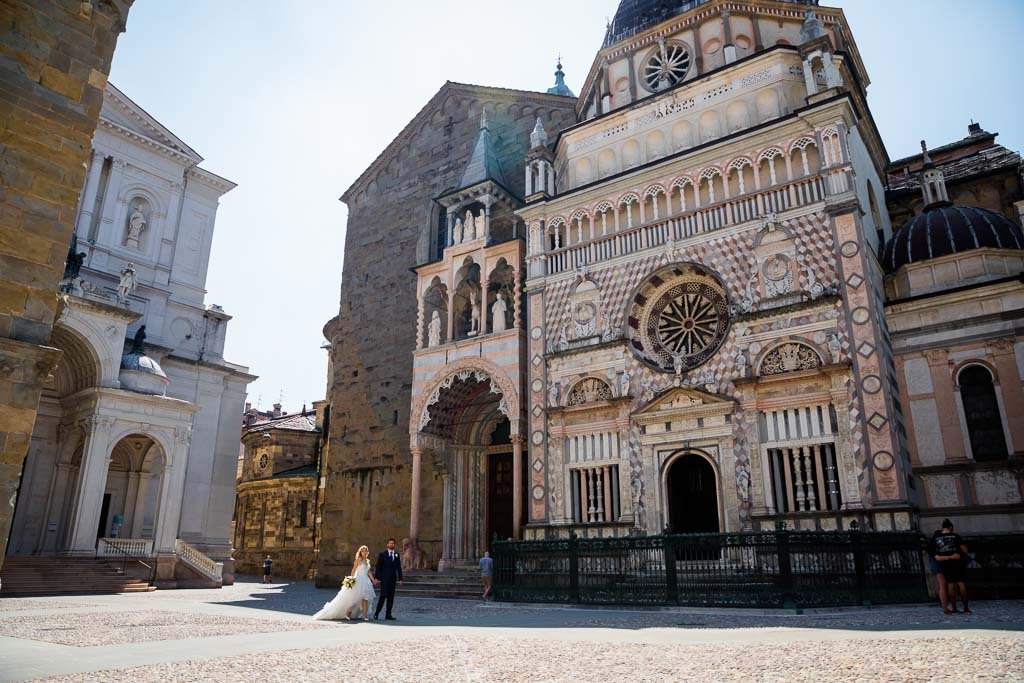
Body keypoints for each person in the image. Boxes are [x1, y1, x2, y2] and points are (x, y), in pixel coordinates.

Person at [313, 545, 378, 621]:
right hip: (358, 580)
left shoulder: (367, 561)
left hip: (366, 581)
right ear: (360, 552)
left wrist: (373, 580)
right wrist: (351, 578)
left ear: (367, 552)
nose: (364, 552)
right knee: (355, 599)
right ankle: (348, 612)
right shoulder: (358, 560)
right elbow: (354, 569)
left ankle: (364, 616)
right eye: (363, 551)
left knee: (365, 599)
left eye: (365, 551)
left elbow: (369, 572)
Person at [929, 519, 971, 615]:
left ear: (942, 527)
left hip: (946, 564)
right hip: (957, 562)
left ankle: (954, 609)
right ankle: (966, 608)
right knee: (961, 584)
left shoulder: (936, 538)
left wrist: (945, 557)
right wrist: (957, 555)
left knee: (950, 585)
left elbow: (935, 554)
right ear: (951, 527)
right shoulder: (956, 536)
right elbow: (965, 550)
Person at [373, 537, 403, 620]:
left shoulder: (397, 554)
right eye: (390, 543)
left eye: (393, 543)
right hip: (384, 579)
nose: (391, 544)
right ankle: (377, 613)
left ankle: (388, 614)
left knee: (391, 597)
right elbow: (378, 567)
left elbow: (398, 567)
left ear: (394, 544)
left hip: (393, 580)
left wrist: (400, 578)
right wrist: (376, 578)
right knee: (382, 596)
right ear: (387, 544)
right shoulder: (382, 554)